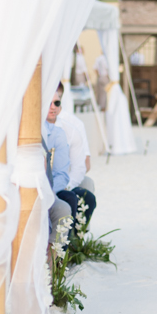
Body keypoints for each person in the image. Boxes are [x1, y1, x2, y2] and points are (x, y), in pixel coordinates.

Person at [48, 85, 95, 236]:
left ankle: (75, 239)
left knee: (84, 188)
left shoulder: (73, 126)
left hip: (67, 179)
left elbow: (84, 164)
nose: (53, 106)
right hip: (45, 180)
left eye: (57, 102)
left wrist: (66, 185)